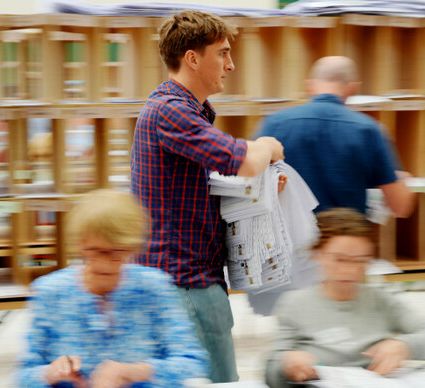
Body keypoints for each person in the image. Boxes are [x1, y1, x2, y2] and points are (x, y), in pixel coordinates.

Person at [130, 10, 284, 383]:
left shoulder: (182, 111)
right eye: (223, 53)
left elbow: (190, 192)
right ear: (192, 58)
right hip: (186, 286)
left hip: (185, 283)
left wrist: (255, 191)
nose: (231, 65)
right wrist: (266, 145)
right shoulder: (171, 111)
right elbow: (245, 160)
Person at [16, 189, 209, 388]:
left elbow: (192, 362)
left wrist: (134, 371)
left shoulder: (154, 288)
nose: (104, 263)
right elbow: (23, 376)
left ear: (132, 247)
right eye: (94, 252)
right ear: (80, 244)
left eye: (117, 253)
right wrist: (50, 373)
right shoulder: (51, 292)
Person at [265, 208, 425, 388]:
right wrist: (286, 364)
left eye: (361, 260)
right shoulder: (295, 304)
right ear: (317, 254)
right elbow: (271, 370)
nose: (350, 270)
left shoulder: (380, 300)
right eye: (340, 259)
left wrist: (405, 346)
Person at [256, 55, 415, 217]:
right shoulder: (369, 130)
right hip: (346, 239)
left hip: (289, 239)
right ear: (353, 88)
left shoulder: (274, 123)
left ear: (309, 85)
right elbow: (400, 206)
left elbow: (252, 189)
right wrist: (400, 179)